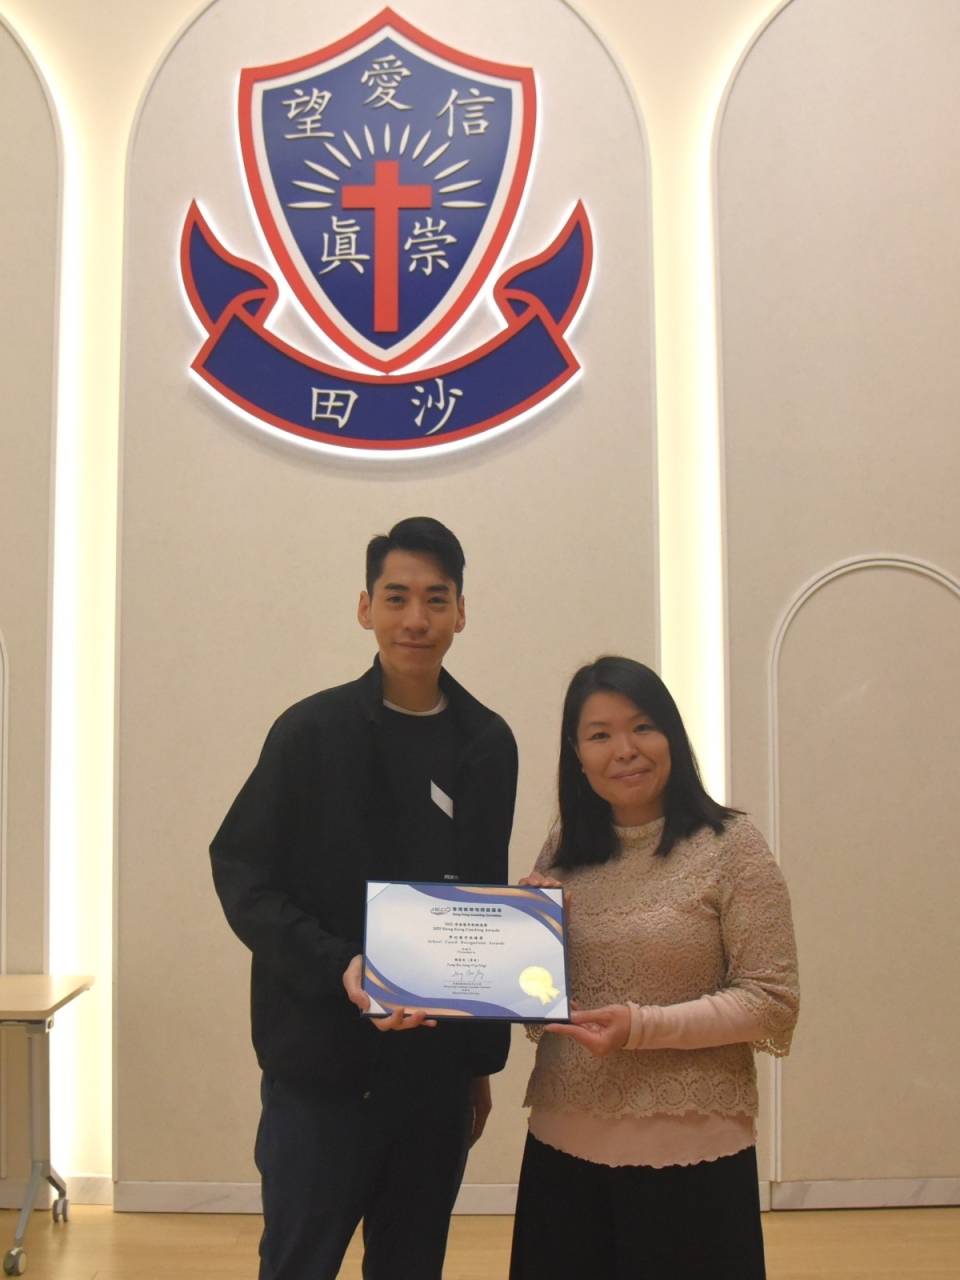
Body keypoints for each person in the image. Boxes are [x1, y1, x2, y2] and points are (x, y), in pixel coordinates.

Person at [210, 517, 517, 1280]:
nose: (416, 618)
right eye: (396, 597)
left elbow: (479, 902)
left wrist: (476, 1065)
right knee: (297, 1264)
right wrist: (340, 965)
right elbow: (242, 871)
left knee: (412, 1266)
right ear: (365, 608)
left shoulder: (487, 744)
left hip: (434, 1084)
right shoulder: (309, 733)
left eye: (436, 599)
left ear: (461, 612)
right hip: (319, 1078)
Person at [510, 656, 799, 1280]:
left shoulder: (732, 846)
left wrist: (641, 1027)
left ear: (672, 734)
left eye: (643, 726)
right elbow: (543, 1008)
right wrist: (527, 940)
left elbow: (771, 999)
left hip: (691, 1156)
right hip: (563, 1148)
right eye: (600, 734)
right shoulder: (563, 850)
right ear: (577, 754)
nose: (625, 750)